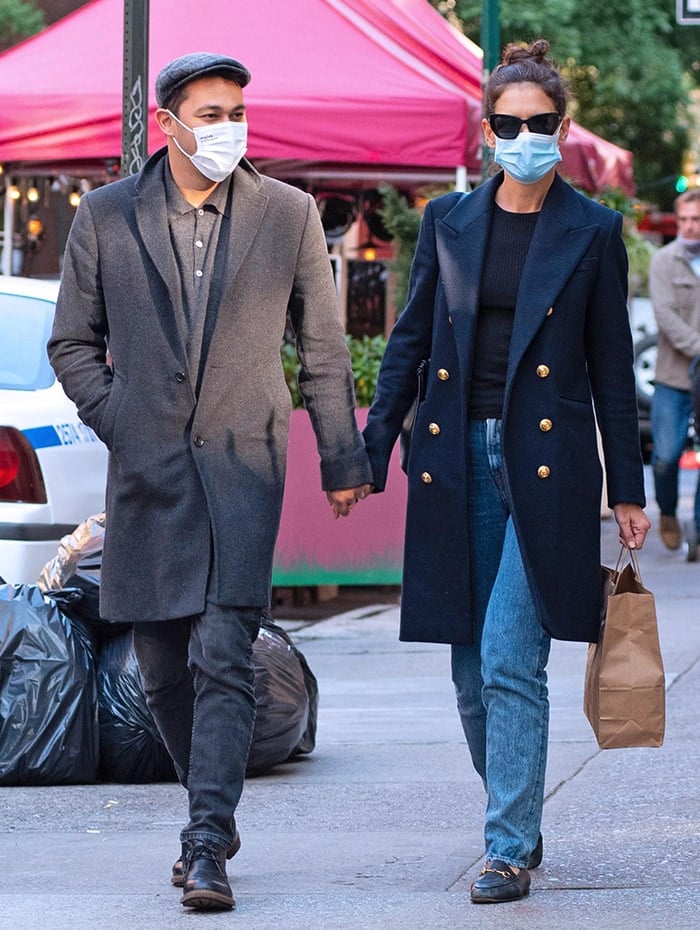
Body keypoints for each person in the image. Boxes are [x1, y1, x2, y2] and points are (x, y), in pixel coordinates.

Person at [48, 52, 372, 912]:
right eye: (211, 111)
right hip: (148, 469)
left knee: (224, 653)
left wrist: (342, 459)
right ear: (169, 122)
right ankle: (212, 810)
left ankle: (204, 844)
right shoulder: (107, 216)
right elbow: (71, 344)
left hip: (245, 463)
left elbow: (325, 347)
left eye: (237, 110)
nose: (229, 126)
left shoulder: (287, 213)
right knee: (160, 664)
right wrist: (120, 417)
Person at [363, 39, 650, 904]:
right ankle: (512, 811)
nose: (523, 134)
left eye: (539, 122)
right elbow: (410, 341)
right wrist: (371, 449)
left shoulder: (593, 231)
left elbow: (609, 363)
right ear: (486, 131)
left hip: (547, 468)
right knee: (466, 664)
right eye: (508, 122)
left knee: (507, 657)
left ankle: (508, 847)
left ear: (559, 129)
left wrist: (627, 488)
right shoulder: (450, 223)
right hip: (454, 458)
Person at [648, 188, 700, 550]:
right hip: (673, 377)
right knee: (666, 456)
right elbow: (665, 316)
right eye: (683, 220)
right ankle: (667, 511)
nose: (689, 227)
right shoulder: (664, 261)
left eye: (696, 220)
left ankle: (698, 528)